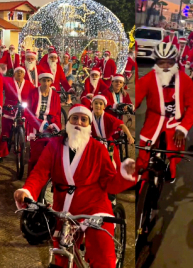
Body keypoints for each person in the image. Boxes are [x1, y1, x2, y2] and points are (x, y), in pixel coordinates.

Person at [14, 105, 136, 268]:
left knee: (102, 254)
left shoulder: (98, 149)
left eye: (84, 119)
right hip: (65, 211)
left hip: (94, 209)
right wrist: (27, 191)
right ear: (68, 121)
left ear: (89, 125)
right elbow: (40, 172)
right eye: (75, 118)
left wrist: (125, 175)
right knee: (62, 256)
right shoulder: (54, 145)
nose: (79, 122)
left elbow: (110, 183)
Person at [136, 42, 193, 183]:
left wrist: (183, 128)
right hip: (154, 119)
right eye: (161, 62)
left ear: (175, 62)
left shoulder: (185, 80)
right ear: (156, 62)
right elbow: (136, 98)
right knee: (144, 151)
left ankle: (171, 166)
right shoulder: (148, 79)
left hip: (175, 121)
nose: (165, 66)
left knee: (173, 151)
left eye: (169, 63)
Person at [0, 66, 35, 165]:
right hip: (9, 109)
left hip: (23, 110)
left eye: (21, 72)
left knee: (23, 133)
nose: (19, 73)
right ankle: (0, 155)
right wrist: (0, 72)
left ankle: (21, 153)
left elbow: (35, 93)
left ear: (24, 74)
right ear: (14, 74)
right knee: (5, 133)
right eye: (17, 72)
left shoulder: (29, 84)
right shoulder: (8, 81)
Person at [25, 68, 62, 176]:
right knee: (35, 156)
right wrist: (41, 124)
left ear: (51, 82)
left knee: (54, 154)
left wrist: (56, 126)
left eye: (48, 80)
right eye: (44, 80)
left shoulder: (55, 95)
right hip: (36, 126)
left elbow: (58, 114)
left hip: (51, 125)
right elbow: (27, 113)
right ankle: (32, 178)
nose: (46, 83)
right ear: (40, 81)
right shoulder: (32, 93)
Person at [91, 94, 135, 168]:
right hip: (94, 144)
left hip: (108, 144)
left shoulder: (108, 117)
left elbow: (122, 125)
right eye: (96, 103)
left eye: (101, 104)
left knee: (111, 163)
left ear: (104, 107)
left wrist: (129, 136)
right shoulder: (88, 116)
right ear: (92, 105)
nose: (98, 105)